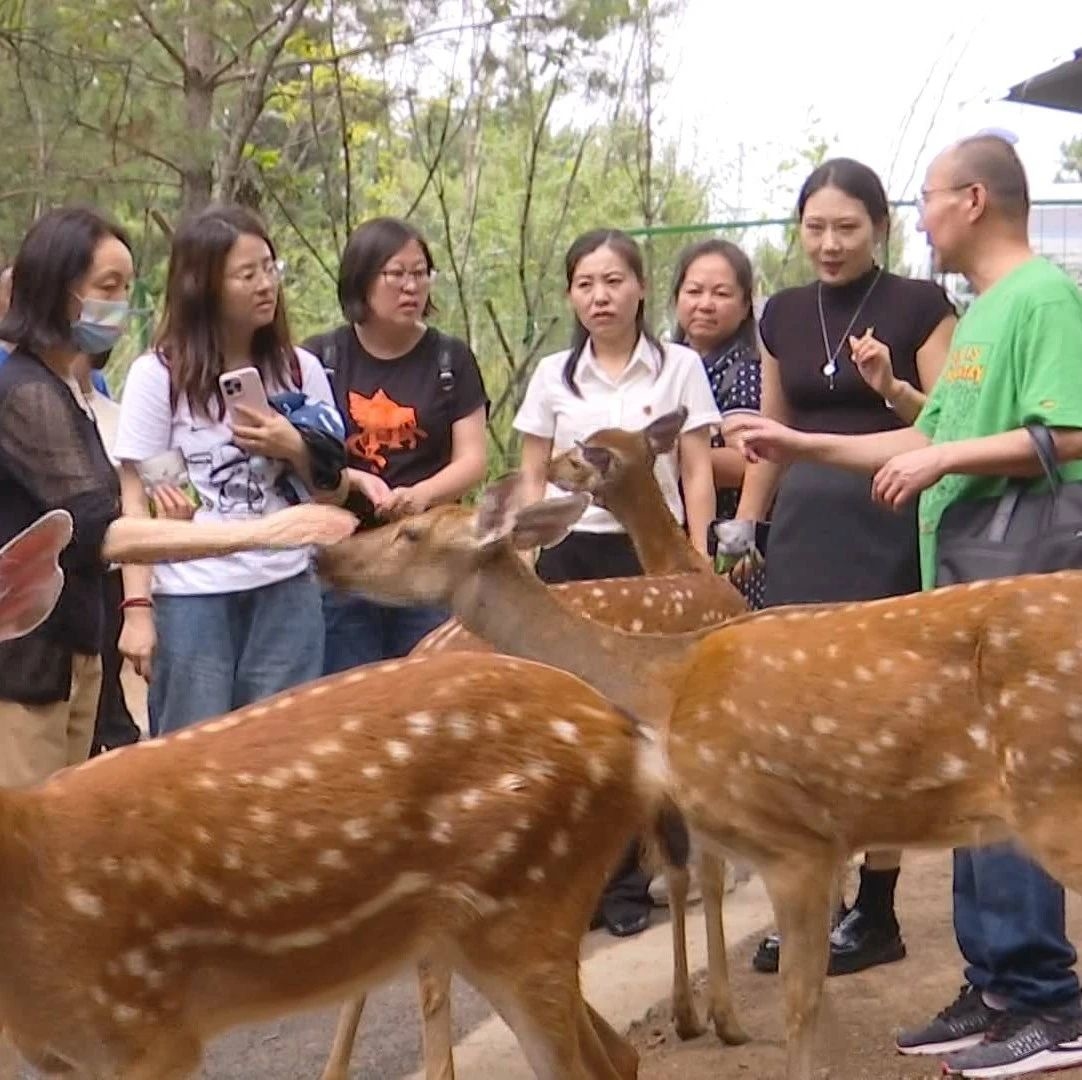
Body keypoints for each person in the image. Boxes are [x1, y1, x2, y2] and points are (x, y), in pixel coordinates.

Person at [728, 134, 1082, 1078]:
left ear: (972, 200)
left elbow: (1069, 430)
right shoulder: (984, 312)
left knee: (1011, 787)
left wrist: (941, 458)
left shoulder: (1043, 297)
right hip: (963, 585)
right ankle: (999, 985)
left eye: (924, 199)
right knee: (972, 786)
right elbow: (919, 436)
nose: (919, 217)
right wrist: (800, 443)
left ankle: (1049, 1001)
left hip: (1016, 591)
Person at [0, 206, 356, 789]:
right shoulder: (34, 392)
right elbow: (105, 522)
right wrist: (254, 536)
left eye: (272, 267)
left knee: (281, 761)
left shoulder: (69, 387)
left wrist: (297, 449)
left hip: (74, 642)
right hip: (42, 649)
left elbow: (334, 485)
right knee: (177, 777)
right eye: (107, 288)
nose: (120, 304)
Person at [731, 158, 957, 977]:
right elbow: (773, 431)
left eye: (847, 228)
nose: (829, 243)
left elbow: (952, 423)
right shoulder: (782, 313)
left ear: (880, 228)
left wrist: (891, 385)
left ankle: (878, 911)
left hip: (890, 523)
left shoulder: (922, 306)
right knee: (800, 720)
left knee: (882, 719)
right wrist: (745, 523)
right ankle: (810, 902)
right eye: (815, 227)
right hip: (802, 536)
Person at [513, 227, 720, 937]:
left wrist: (699, 554)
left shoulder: (678, 368)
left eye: (613, 281)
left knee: (645, 719)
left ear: (639, 287)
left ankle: (638, 880)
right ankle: (586, 882)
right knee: (577, 718)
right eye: (585, 284)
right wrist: (529, 553)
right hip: (573, 559)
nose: (599, 296)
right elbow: (533, 470)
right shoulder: (553, 376)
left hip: (651, 565)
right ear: (571, 294)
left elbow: (694, 467)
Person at [113, 204, 352, 736]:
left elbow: (332, 497)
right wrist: (137, 609)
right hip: (193, 595)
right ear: (203, 285)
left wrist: (294, 445)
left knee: (281, 748)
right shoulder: (159, 376)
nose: (267, 284)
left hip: (288, 587)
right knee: (191, 752)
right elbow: (137, 501)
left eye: (271, 268)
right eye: (248, 274)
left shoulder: (299, 369)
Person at [303, 216, 488, 674]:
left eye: (421, 272)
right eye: (397, 274)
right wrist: (353, 481)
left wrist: (422, 495)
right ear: (362, 279)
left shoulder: (451, 359)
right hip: (343, 556)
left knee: (428, 683)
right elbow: (303, 455)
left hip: (426, 561)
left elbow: (473, 459)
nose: (412, 286)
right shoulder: (320, 359)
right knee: (349, 691)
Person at [671, 237, 765, 607]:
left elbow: (751, 464)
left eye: (721, 294)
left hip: (728, 534)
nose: (705, 304)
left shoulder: (746, 371)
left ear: (745, 306)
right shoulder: (665, 366)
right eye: (694, 291)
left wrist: (675, 456)